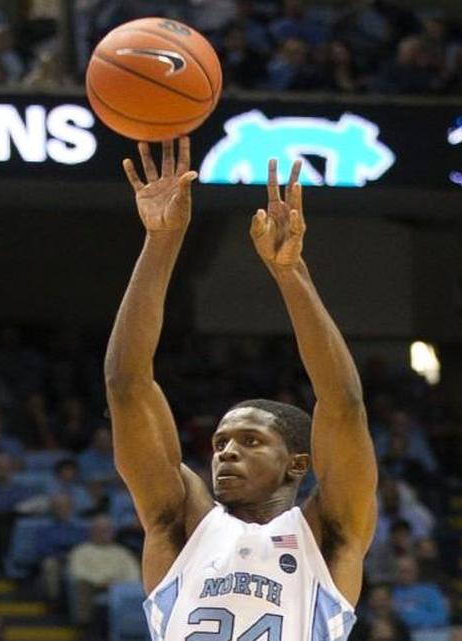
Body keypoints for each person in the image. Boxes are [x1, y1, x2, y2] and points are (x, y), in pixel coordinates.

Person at [106, 139, 377, 640]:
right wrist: (161, 241)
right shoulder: (181, 526)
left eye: (250, 441)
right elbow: (127, 386)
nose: (226, 453)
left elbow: (343, 406)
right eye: (221, 444)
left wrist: (290, 272)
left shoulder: (327, 536)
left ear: (298, 462)